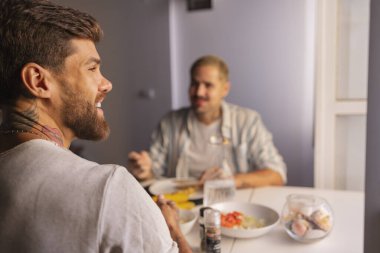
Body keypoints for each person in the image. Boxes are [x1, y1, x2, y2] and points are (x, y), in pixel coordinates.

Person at [0, 1, 191, 252]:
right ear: (39, 81)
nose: (107, 84)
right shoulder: (107, 188)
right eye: (92, 68)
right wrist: (173, 230)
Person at [129, 55, 286, 188]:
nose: (199, 92)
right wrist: (144, 171)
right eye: (194, 84)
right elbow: (153, 176)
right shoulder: (169, 123)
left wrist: (232, 181)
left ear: (225, 89)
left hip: (231, 205)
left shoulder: (248, 121)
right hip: (182, 207)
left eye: (208, 85)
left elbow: (277, 174)